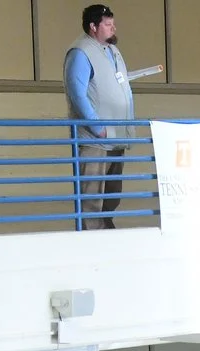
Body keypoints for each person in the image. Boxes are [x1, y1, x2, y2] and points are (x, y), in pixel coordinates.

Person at [66, 4, 134, 231]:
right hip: (96, 139)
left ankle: (106, 229)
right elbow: (77, 93)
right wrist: (97, 127)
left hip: (117, 135)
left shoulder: (113, 51)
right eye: (107, 24)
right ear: (93, 27)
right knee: (92, 194)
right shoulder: (81, 52)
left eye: (112, 22)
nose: (113, 27)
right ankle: (92, 236)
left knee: (111, 193)